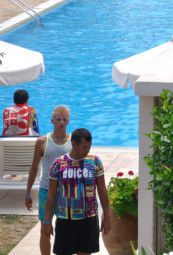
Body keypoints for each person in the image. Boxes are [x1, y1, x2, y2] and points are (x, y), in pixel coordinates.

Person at [44, 128, 110, 255]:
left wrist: (107, 217)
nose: (87, 150)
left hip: (88, 219)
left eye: (89, 147)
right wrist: (47, 220)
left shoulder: (95, 162)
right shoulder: (59, 164)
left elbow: (102, 191)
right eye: (84, 147)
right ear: (73, 144)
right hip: (65, 219)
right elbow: (51, 193)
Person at [26, 106, 72, 255]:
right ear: (52, 121)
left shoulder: (73, 142)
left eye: (64, 119)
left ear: (68, 121)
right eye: (58, 119)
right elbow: (34, 167)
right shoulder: (42, 141)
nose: (61, 122)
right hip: (46, 190)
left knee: (65, 230)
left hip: (66, 192)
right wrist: (27, 193)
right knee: (45, 230)